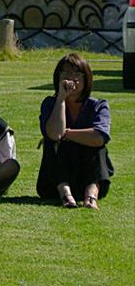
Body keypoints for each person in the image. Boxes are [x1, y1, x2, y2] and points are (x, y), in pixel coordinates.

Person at [36, 52, 114, 209]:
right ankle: (65, 194)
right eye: (66, 73)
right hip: (55, 181)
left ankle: (91, 195)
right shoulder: (50, 104)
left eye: (77, 74)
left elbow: (99, 137)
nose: (71, 78)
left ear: (86, 79)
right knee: (52, 141)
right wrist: (61, 99)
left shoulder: (98, 106)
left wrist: (67, 133)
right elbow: (54, 133)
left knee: (97, 146)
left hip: (88, 175)